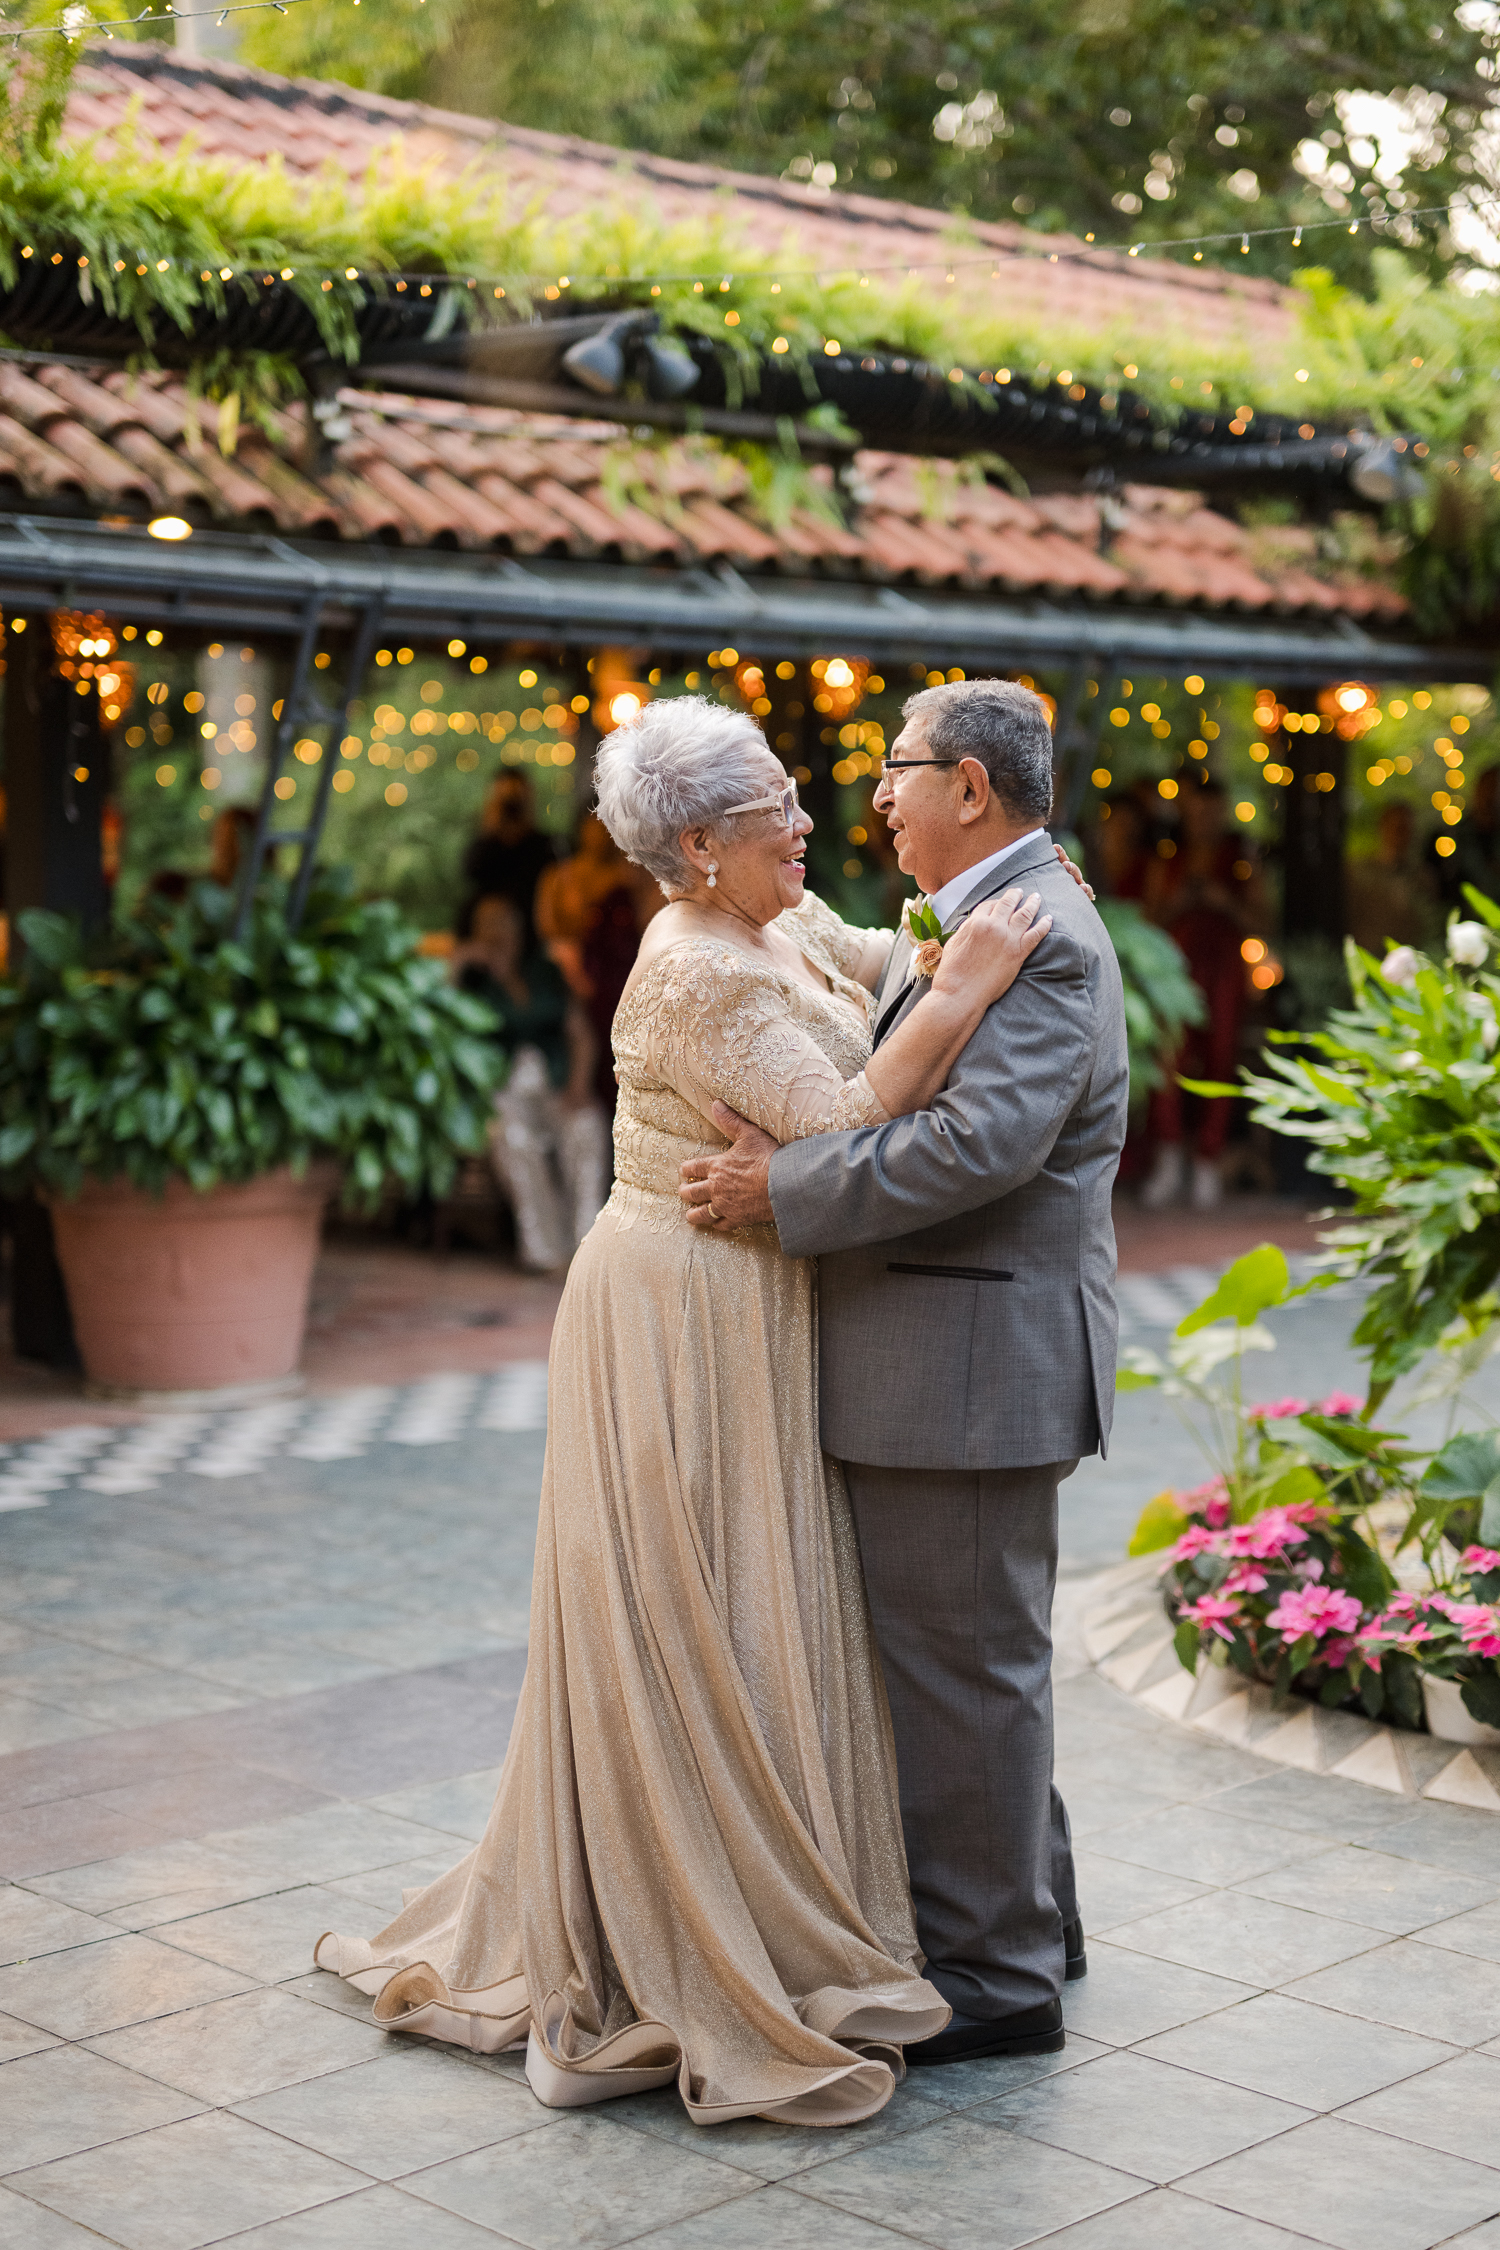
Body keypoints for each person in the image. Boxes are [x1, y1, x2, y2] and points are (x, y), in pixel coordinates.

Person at [313, 696, 1060, 2125]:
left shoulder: (774, 913)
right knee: (693, 1613)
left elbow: (876, 951)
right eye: (779, 806)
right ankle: (688, 1924)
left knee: (753, 1597)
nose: (808, 821)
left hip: (751, 1296)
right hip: (676, 1309)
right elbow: (849, 1122)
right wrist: (962, 997)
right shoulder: (694, 974)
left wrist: (993, 901)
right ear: (702, 845)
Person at [680, 679, 1128, 2067]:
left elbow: (974, 1148)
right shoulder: (977, 915)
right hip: (959, 1353)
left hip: (972, 1364)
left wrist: (784, 1189)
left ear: (972, 788)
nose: (877, 793)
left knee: (965, 1671)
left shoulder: (1040, 934)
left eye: (897, 767)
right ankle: (1030, 1922)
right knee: (971, 1662)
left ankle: (995, 1983)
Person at [453, 894, 609, 1273]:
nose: (498, 933)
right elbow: (435, 1026)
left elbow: (581, 1035)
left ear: (521, 930)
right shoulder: (470, 984)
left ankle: (588, 1250)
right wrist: (457, 963)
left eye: (506, 922)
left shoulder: (544, 971)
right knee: (513, 1138)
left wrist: (578, 1085)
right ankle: (544, 1251)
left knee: (586, 1128)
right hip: (501, 1090)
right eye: (488, 924)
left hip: (554, 1084)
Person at [1139, 776, 1265, 1212]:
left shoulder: (1240, 860)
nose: (1205, 819)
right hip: (1175, 972)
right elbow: (1149, 920)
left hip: (1226, 971)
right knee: (1168, 1060)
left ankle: (1207, 1160)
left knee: (1221, 1059)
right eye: (1197, 811)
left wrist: (1219, 900)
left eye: (1213, 811)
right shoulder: (1167, 859)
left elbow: (1258, 920)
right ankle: (1170, 1157)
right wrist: (1180, 900)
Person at [460, 769, 558, 946]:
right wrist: (489, 831)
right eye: (506, 802)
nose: (512, 808)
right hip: (485, 943)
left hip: (531, 941)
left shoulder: (544, 846)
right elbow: (469, 874)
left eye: (516, 801)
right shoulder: (485, 846)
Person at [1346, 800, 1434, 957]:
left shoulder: (1423, 878)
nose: (1401, 835)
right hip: (1369, 959)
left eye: (1407, 829)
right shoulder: (1359, 873)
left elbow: (1428, 925)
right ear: (1382, 828)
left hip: (1411, 961)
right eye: (1397, 828)